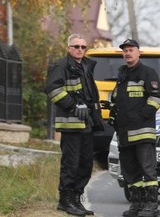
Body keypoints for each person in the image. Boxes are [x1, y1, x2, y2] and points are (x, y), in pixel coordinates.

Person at [44, 33, 103, 216]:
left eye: (83, 47)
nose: (79, 50)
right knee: (71, 163)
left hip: (87, 123)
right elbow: (52, 89)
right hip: (71, 124)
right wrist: (72, 104)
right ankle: (65, 200)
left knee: (85, 163)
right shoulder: (61, 66)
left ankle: (76, 199)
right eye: (76, 46)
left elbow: (89, 94)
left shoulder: (86, 65)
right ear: (69, 48)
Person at [110, 39, 160, 217]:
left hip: (142, 132)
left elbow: (157, 98)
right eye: (125, 50)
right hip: (124, 133)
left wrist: (140, 116)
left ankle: (151, 205)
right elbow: (118, 99)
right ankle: (137, 204)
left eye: (131, 50)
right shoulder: (122, 74)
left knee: (147, 169)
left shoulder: (148, 72)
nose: (127, 53)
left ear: (138, 52)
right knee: (130, 171)